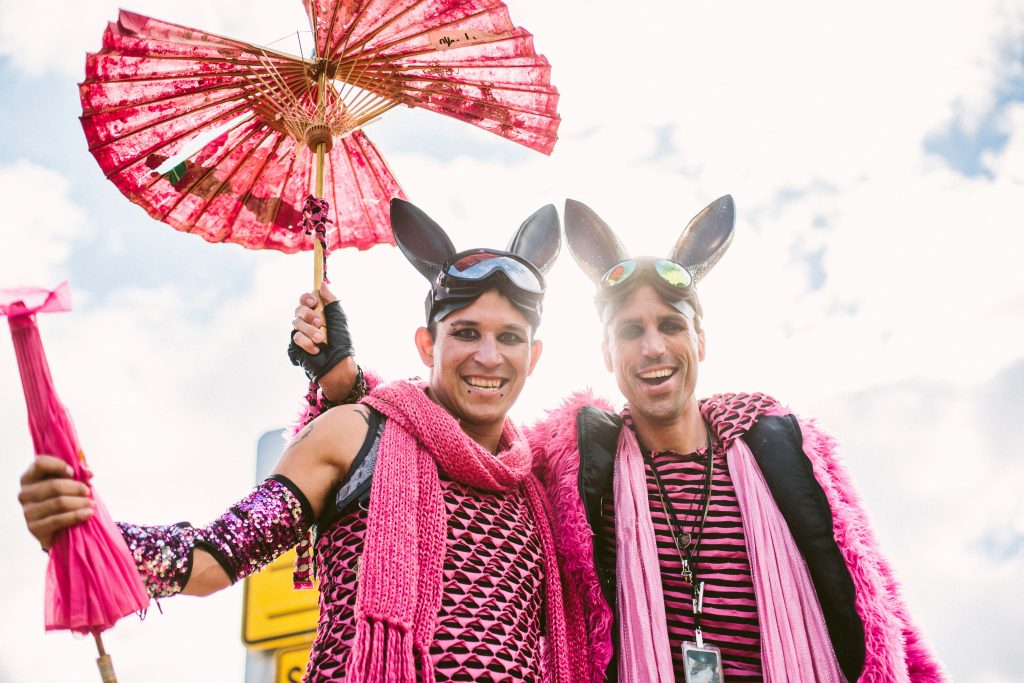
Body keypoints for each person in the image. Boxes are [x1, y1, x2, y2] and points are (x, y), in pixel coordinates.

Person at [296, 196, 946, 682]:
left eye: (670, 324)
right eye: (630, 330)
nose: (653, 346)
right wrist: (347, 380)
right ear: (606, 354)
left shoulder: (782, 445)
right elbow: (451, 443)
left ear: (702, 341)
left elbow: (878, 603)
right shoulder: (576, 462)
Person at [18, 198, 588, 682]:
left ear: (533, 356)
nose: (488, 356)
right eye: (465, 333)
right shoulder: (355, 433)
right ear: (425, 345)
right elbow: (215, 557)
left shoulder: (539, 485)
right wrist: (85, 533)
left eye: (509, 337)